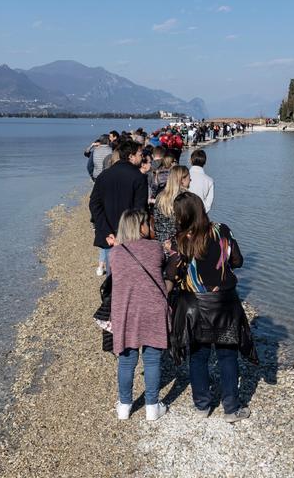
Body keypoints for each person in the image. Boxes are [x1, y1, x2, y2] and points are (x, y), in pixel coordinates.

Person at [168, 192, 255, 420]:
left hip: (194, 306)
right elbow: (238, 261)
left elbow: (172, 273)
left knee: (198, 357)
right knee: (227, 356)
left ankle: (202, 405)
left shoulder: (180, 240)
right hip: (225, 303)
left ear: (183, 215)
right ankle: (231, 408)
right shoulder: (222, 230)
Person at [109, 207, 169, 421]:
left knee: (126, 360)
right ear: (140, 226)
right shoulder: (156, 248)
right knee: (152, 359)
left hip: (126, 310)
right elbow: (163, 266)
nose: (149, 226)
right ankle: (152, 406)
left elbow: (114, 277)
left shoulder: (115, 253)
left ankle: (124, 405)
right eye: (146, 223)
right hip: (153, 308)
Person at [89, 140, 149, 276]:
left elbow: (94, 205)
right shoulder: (138, 177)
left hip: (108, 233)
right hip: (130, 234)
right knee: (129, 275)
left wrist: (105, 230)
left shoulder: (104, 175)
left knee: (112, 275)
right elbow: (139, 210)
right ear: (131, 156)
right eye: (140, 154)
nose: (143, 157)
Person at [153, 165, 190, 246]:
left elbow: (156, 220)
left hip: (161, 242)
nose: (190, 180)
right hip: (179, 244)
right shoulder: (186, 198)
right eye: (189, 178)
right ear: (182, 180)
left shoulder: (160, 197)